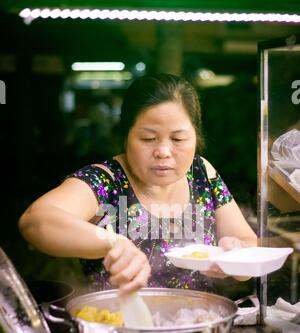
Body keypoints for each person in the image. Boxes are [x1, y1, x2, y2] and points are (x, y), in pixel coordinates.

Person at [18, 74, 257, 295]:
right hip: (119, 331)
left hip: (200, 326)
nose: (163, 151)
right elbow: (35, 221)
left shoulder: (201, 172)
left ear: (196, 135)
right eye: (148, 138)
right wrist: (114, 243)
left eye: (178, 138)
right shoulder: (106, 181)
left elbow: (247, 248)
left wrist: (233, 255)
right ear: (126, 136)